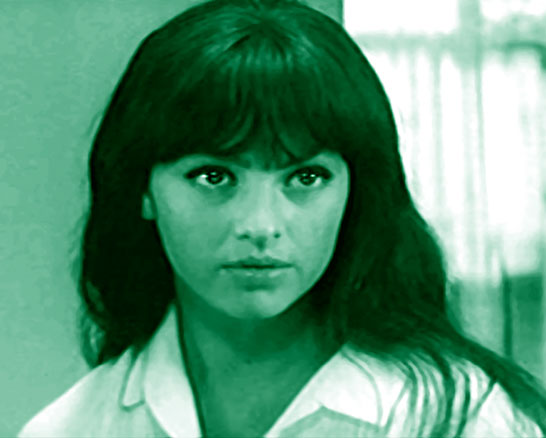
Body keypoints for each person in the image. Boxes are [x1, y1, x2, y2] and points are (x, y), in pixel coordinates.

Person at [18, 0, 546, 436]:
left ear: (356, 192)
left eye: (306, 177)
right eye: (213, 176)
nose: (259, 224)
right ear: (142, 189)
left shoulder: (461, 421)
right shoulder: (69, 429)